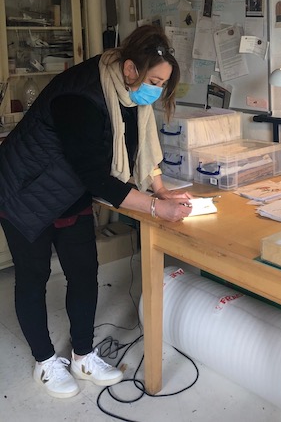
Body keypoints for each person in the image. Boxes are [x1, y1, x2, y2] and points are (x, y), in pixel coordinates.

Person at [0, 24, 193, 399]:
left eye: (163, 82)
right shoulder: (81, 95)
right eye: (154, 79)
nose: (156, 89)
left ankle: (83, 355)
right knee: (33, 277)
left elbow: (136, 148)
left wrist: (162, 190)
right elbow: (98, 177)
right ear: (131, 69)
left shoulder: (126, 92)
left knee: (85, 273)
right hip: (24, 192)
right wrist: (156, 208)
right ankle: (44, 361)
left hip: (68, 191)